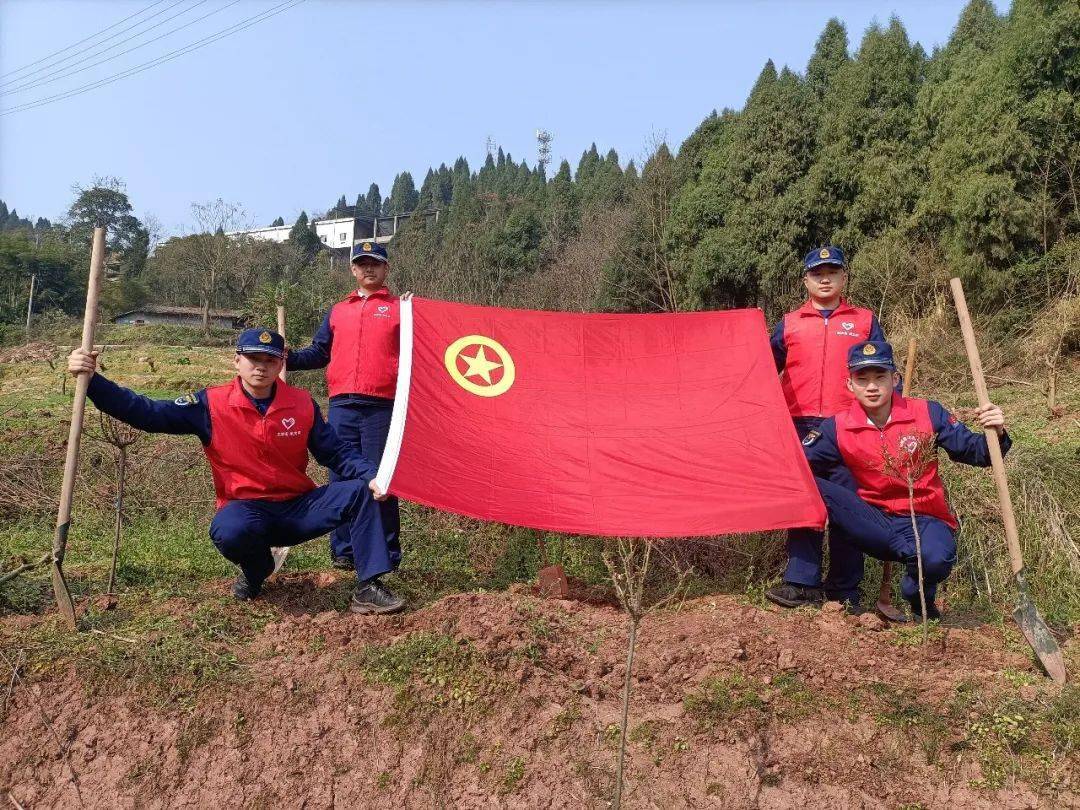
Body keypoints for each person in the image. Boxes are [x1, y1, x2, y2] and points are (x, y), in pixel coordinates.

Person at [66, 328, 406, 614]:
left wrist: (372, 474)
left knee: (364, 490)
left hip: (300, 508)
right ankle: (256, 570)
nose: (261, 367)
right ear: (237, 361)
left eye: (270, 360)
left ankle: (369, 585)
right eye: (253, 359)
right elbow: (148, 413)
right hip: (246, 510)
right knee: (229, 529)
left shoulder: (302, 403)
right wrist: (94, 382)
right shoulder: (209, 404)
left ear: (281, 364)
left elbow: (336, 452)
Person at [801, 340, 1010, 618]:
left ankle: (915, 594)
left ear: (895, 379)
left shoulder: (927, 412)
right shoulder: (837, 427)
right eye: (862, 379)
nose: (872, 387)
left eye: (880, 377)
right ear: (850, 385)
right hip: (872, 521)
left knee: (936, 559)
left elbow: (977, 453)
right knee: (808, 482)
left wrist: (996, 433)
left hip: (924, 518)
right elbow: (799, 462)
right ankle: (815, 584)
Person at [765, 246, 888, 609]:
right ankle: (801, 583)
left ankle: (845, 590)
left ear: (843, 277)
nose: (824, 278)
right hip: (798, 424)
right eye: (817, 272)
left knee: (849, 505)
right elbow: (763, 373)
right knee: (804, 501)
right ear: (805, 280)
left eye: (832, 271)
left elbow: (882, 373)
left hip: (850, 424)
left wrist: (887, 415)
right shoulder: (788, 323)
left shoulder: (864, 321)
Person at [287, 241, 405, 601]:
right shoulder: (338, 311)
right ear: (353, 270)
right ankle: (343, 551)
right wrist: (283, 358)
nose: (369, 269)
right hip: (341, 405)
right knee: (340, 477)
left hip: (382, 406)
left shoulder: (401, 309)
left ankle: (386, 553)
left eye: (376, 264)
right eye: (362, 263)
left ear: (386, 270)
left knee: (379, 480)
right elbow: (319, 352)